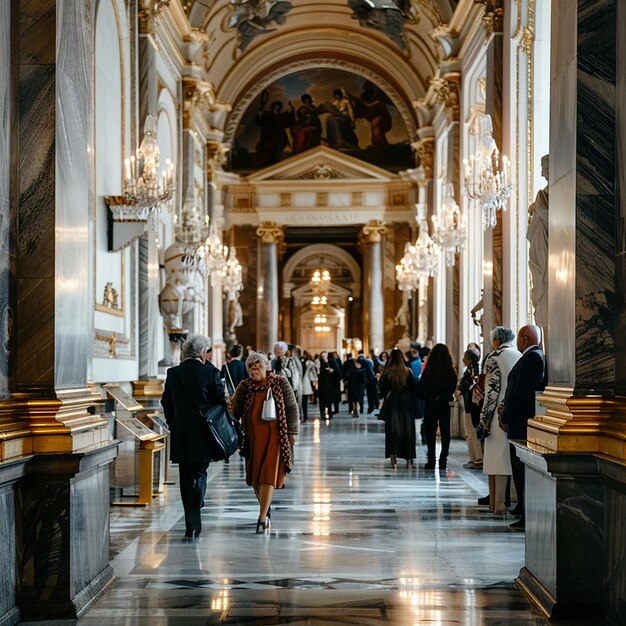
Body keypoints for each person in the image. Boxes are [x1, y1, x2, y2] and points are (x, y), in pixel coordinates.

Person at [160, 334, 225, 540]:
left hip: (182, 433)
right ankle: (197, 506)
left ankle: (191, 524)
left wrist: (174, 422)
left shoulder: (173, 373)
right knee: (200, 472)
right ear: (201, 353)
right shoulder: (211, 373)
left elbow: (166, 403)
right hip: (205, 433)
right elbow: (220, 404)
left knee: (185, 476)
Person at [231, 351, 299, 533]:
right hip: (252, 438)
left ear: (266, 367)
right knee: (255, 477)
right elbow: (235, 410)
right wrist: (228, 405)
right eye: (251, 368)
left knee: (267, 474)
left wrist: (292, 432)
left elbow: (292, 408)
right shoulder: (244, 386)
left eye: (257, 367)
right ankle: (265, 510)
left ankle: (261, 519)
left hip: (274, 437)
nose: (254, 371)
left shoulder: (279, 382)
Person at [498, 324, 547, 531]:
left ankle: (527, 515)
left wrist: (506, 415)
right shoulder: (531, 357)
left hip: (521, 422)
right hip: (519, 420)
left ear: (524, 338)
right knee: (518, 469)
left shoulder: (532, 358)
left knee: (521, 470)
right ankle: (522, 508)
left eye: (519, 338)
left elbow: (521, 393)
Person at [477, 327, 520, 514]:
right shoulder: (518, 355)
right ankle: (501, 501)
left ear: (496, 341)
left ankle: (498, 503)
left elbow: (491, 392)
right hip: (513, 412)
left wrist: (484, 421)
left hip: (496, 415)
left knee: (496, 461)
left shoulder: (495, 357)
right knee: (507, 459)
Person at [417, 343, 457, 471]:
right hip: (444, 404)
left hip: (430, 404)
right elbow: (452, 386)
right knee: (445, 433)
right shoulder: (450, 370)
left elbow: (421, 387)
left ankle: (431, 460)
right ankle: (443, 461)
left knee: (430, 433)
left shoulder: (428, 370)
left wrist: (428, 396)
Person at [378, 348, 419, 468]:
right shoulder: (407, 372)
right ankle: (408, 456)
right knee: (407, 430)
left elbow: (381, 390)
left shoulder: (387, 372)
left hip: (392, 403)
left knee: (393, 429)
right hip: (407, 404)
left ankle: (393, 454)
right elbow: (415, 388)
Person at [527, 155, 549, 329]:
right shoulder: (544, 193)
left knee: (543, 279)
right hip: (539, 242)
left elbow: (549, 217)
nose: (542, 173)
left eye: (544, 167)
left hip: (545, 244)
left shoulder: (550, 193)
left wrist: (538, 208)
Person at [455, 347, 483, 469]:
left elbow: (469, 383)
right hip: (471, 405)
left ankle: (478, 458)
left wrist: (460, 389)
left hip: (472, 405)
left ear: (468, 359)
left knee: (472, 431)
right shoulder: (472, 369)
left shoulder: (473, 369)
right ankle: (473, 458)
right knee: (470, 432)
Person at [255, 93, 294, 166]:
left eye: (278, 106)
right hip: (269, 136)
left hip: (280, 137)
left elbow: (289, 122)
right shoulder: (267, 115)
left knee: (278, 150)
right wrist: (260, 113)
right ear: (272, 107)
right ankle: (268, 163)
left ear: (280, 107)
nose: (276, 107)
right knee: (269, 150)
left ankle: (275, 163)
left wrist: (292, 110)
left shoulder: (281, 116)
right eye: (275, 106)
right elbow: (260, 123)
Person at [342, 353, 365, 417]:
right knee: (353, 398)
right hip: (352, 384)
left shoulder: (364, 366)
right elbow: (347, 373)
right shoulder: (350, 364)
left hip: (360, 385)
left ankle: (359, 410)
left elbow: (365, 375)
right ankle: (355, 411)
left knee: (359, 398)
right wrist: (345, 379)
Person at [317, 351, 336, 419]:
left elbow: (335, 370)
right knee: (322, 399)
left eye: (325, 356)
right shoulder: (319, 362)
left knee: (329, 399)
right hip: (322, 383)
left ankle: (330, 413)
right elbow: (318, 372)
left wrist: (332, 370)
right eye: (323, 356)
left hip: (329, 383)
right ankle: (322, 414)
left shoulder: (331, 361)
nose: (324, 357)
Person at [300, 351, 318, 423]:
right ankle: (304, 417)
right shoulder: (308, 363)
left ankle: (304, 417)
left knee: (303, 402)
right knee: (303, 402)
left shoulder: (308, 363)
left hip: (304, 382)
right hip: (304, 382)